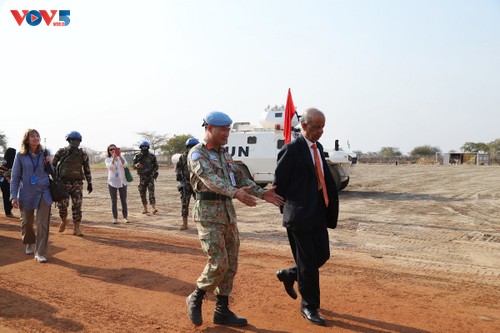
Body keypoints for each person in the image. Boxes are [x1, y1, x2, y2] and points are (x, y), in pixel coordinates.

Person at [185, 111, 284, 327]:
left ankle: (222, 310)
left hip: (227, 213)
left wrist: (261, 193)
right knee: (218, 261)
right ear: (209, 129)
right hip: (208, 213)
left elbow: (240, 177)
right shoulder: (197, 153)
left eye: (229, 130)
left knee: (231, 263)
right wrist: (235, 193)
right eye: (222, 130)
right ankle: (196, 296)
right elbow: (209, 179)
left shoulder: (225, 154)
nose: (226, 134)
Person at [273, 108, 339, 326]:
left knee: (322, 255)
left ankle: (290, 274)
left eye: (322, 127)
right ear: (304, 126)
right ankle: (309, 306)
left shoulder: (318, 147)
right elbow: (280, 184)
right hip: (299, 215)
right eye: (316, 127)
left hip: (318, 212)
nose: (320, 131)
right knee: (309, 263)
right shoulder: (291, 149)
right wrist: (291, 210)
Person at [10, 129, 53, 263]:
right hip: (27, 193)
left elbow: (53, 172)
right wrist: (13, 196)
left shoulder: (45, 153)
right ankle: (29, 242)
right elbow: (15, 177)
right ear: (27, 140)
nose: (36, 138)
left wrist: (49, 162)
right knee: (27, 223)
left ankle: (40, 252)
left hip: (44, 192)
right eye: (32, 136)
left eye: (37, 136)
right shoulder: (20, 156)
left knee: (42, 224)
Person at [52, 131, 93, 236]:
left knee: (77, 206)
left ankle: (76, 228)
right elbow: (52, 165)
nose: (75, 142)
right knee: (62, 206)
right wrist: (54, 180)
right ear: (69, 141)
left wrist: (89, 183)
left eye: (77, 140)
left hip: (77, 184)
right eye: (73, 140)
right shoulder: (61, 152)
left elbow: (87, 169)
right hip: (63, 184)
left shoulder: (82, 154)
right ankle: (64, 220)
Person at [175, 137, 199, 230]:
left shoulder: (200, 156)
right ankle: (185, 223)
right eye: (190, 146)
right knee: (185, 204)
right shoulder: (183, 157)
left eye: (194, 146)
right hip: (186, 184)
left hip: (197, 184)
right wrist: (178, 175)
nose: (192, 148)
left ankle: (200, 223)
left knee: (200, 204)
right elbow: (178, 167)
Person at [132, 141, 159, 215]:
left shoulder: (152, 156)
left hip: (150, 177)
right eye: (143, 147)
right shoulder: (137, 156)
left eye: (146, 147)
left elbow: (156, 166)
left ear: (148, 147)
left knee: (151, 193)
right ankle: (145, 208)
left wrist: (153, 172)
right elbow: (133, 166)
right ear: (141, 147)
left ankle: (153, 208)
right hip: (142, 178)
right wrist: (137, 165)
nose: (145, 148)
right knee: (142, 193)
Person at [105, 144, 129, 224]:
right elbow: (110, 168)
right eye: (111, 149)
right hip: (112, 182)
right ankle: (115, 218)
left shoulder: (121, 157)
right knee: (114, 201)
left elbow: (125, 165)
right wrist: (113, 159)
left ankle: (125, 217)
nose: (112, 150)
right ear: (108, 151)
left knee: (123, 201)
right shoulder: (107, 159)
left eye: (114, 149)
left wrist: (120, 156)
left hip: (122, 182)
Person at [1, 147, 16, 218]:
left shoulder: (13, 161)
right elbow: (2, 169)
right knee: (7, 196)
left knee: (8, 196)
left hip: (7, 181)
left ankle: (8, 211)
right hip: (5, 181)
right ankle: (8, 212)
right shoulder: (6, 162)